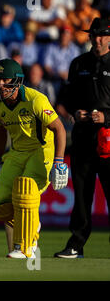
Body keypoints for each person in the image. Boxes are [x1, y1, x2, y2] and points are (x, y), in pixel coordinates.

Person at [0, 58, 68, 259]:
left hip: (42, 150)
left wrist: (59, 162)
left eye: (5, 80)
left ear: (17, 81)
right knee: (3, 201)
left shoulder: (35, 99)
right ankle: (33, 222)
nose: (0, 85)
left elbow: (59, 129)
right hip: (17, 152)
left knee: (27, 191)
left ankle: (25, 247)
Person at [54, 17, 110, 259]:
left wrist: (106, 116)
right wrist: (74, 112)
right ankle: (76, 244)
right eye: (94, 35)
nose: (97, 40)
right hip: (83, 138)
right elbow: (65, 100)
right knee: (82, 196)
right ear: (88, 37)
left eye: (102, 35)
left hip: (108, 139)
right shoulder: (78, 64)